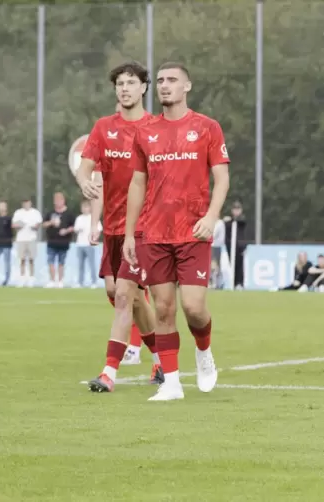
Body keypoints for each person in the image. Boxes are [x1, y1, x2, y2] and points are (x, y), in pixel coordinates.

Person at [123, 61, 230, 402]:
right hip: (154, 234)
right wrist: (129, 234)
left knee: (194, 308)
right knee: (164, 309)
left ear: (187, 86)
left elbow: (222, 178)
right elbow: (137, 183)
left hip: (194, 232)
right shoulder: (145, 131)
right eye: (161, 81)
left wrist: (212, 216)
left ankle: (204, 350)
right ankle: (171, 382)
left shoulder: (207, 127)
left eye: (172, 80)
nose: (164, 85)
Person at [76, 61, 161, 392]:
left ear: (143, 88)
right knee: (126, 296)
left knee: (125, 295)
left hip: (142, 228)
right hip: (112, 228)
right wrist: (84, 183)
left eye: (131, 82)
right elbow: (86, 168)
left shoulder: (156, 128)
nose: (124, 88)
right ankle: (161, 361)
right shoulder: (103, 127)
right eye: (119, 84)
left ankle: (109, 373)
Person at [42, 192, 75, 288]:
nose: (57, 202)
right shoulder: (50, 213)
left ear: (63, 201)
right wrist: (51, 223)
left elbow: (74, 226)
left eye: (59, 200)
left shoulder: (69, 214)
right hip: (51, 241)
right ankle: (52, 280)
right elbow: (43, 224)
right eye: (55, 200)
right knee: (50, 261)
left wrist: (66, 230)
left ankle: (60, 281)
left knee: (61, 262)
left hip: (64, 242)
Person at [12, 198, 42, 287]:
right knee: (22, 259)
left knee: (31, 259)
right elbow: (13, 225)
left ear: (30, 203)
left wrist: (35, 227)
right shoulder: (18, 213)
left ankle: (31, 278)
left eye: (28, 202)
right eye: (25, 203)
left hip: (31, 238)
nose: (26, 204)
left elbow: (39, 224)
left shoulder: (35, 213)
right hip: (21, 239)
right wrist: (19, 225)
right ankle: (22, 278)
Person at [72, 200, 100, 288]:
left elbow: (99, 229)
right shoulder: (79, 218)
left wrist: (94, 238)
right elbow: (75, 229)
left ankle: (94, 282)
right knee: (80, 264)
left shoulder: (93, 218)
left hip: (89, 244)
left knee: (91, 264)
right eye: (83, 207)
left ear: (90, 208)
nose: (85, 209)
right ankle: (80, 282)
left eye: (87, 207)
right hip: (80, 244)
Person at [223, 200, 247, 289]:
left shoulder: (242, 220)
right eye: (235, 209)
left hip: (240, 247)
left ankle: (240, 283)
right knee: (232, 265)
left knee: (240, 265)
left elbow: (240, 221)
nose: (236, 211)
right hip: (231, 247)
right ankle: (233, 283)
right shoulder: (228, 222)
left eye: (238, 209)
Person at [210, 219, 225, 289]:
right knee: (214, 265)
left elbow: (214, 234)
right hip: (213, 246)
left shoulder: (219, 223)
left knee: (215, 265)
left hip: (215, 246)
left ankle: (217, 283)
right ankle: (216, 282)